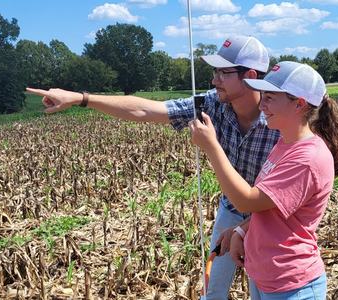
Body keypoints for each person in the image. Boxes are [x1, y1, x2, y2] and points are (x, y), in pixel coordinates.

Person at [26, 35, 280, 299]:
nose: (214, 80)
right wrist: (81, 98)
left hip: (271, 215)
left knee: (261, 287)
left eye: (222, 73)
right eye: (214, 71)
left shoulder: (279, 119)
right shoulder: (211, 104)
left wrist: (247, 227)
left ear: (250, 75)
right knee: (213, 288)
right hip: (231, 207)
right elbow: (146, 110)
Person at [190, 61, 338, 299]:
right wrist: (241, 231)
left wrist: (211, 146)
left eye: (270, 98)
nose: (261, 105)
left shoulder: (308, 157)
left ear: (299, 104)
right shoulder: (284, 143)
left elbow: (248, 201)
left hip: (292, 285)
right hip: (266, 278)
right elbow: (272, 209)